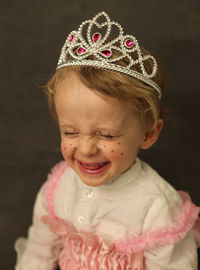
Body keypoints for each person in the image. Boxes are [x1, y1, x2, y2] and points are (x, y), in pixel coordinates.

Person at [14, 11, 200, 270]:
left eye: (107, 135)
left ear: (148, 134)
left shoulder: (158, 207)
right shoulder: (58, 188)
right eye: (70, 132)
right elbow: (38, 253)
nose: (87, 149)